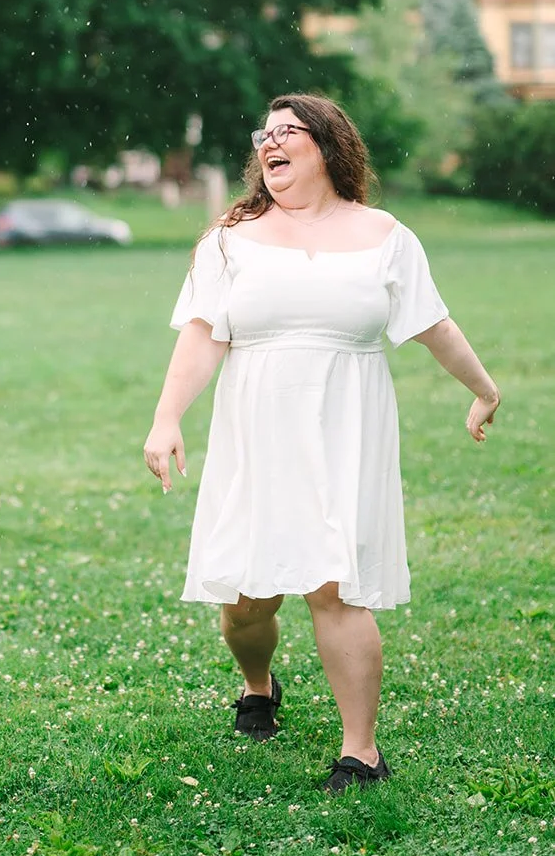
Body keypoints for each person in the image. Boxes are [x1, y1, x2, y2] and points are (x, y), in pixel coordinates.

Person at [142, 93, 500, 793]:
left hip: (346, 424)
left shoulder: (384, 234)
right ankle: (257, 684)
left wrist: (484, 389)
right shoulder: (230, 236)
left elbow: (435, 325)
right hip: (257, 427)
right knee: (248, 602)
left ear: (328, 147)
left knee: (334, 586)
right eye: (263, 135)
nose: (269, 144)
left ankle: (360, 751)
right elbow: (202, 335)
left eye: (287, 133)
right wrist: (165, 419)